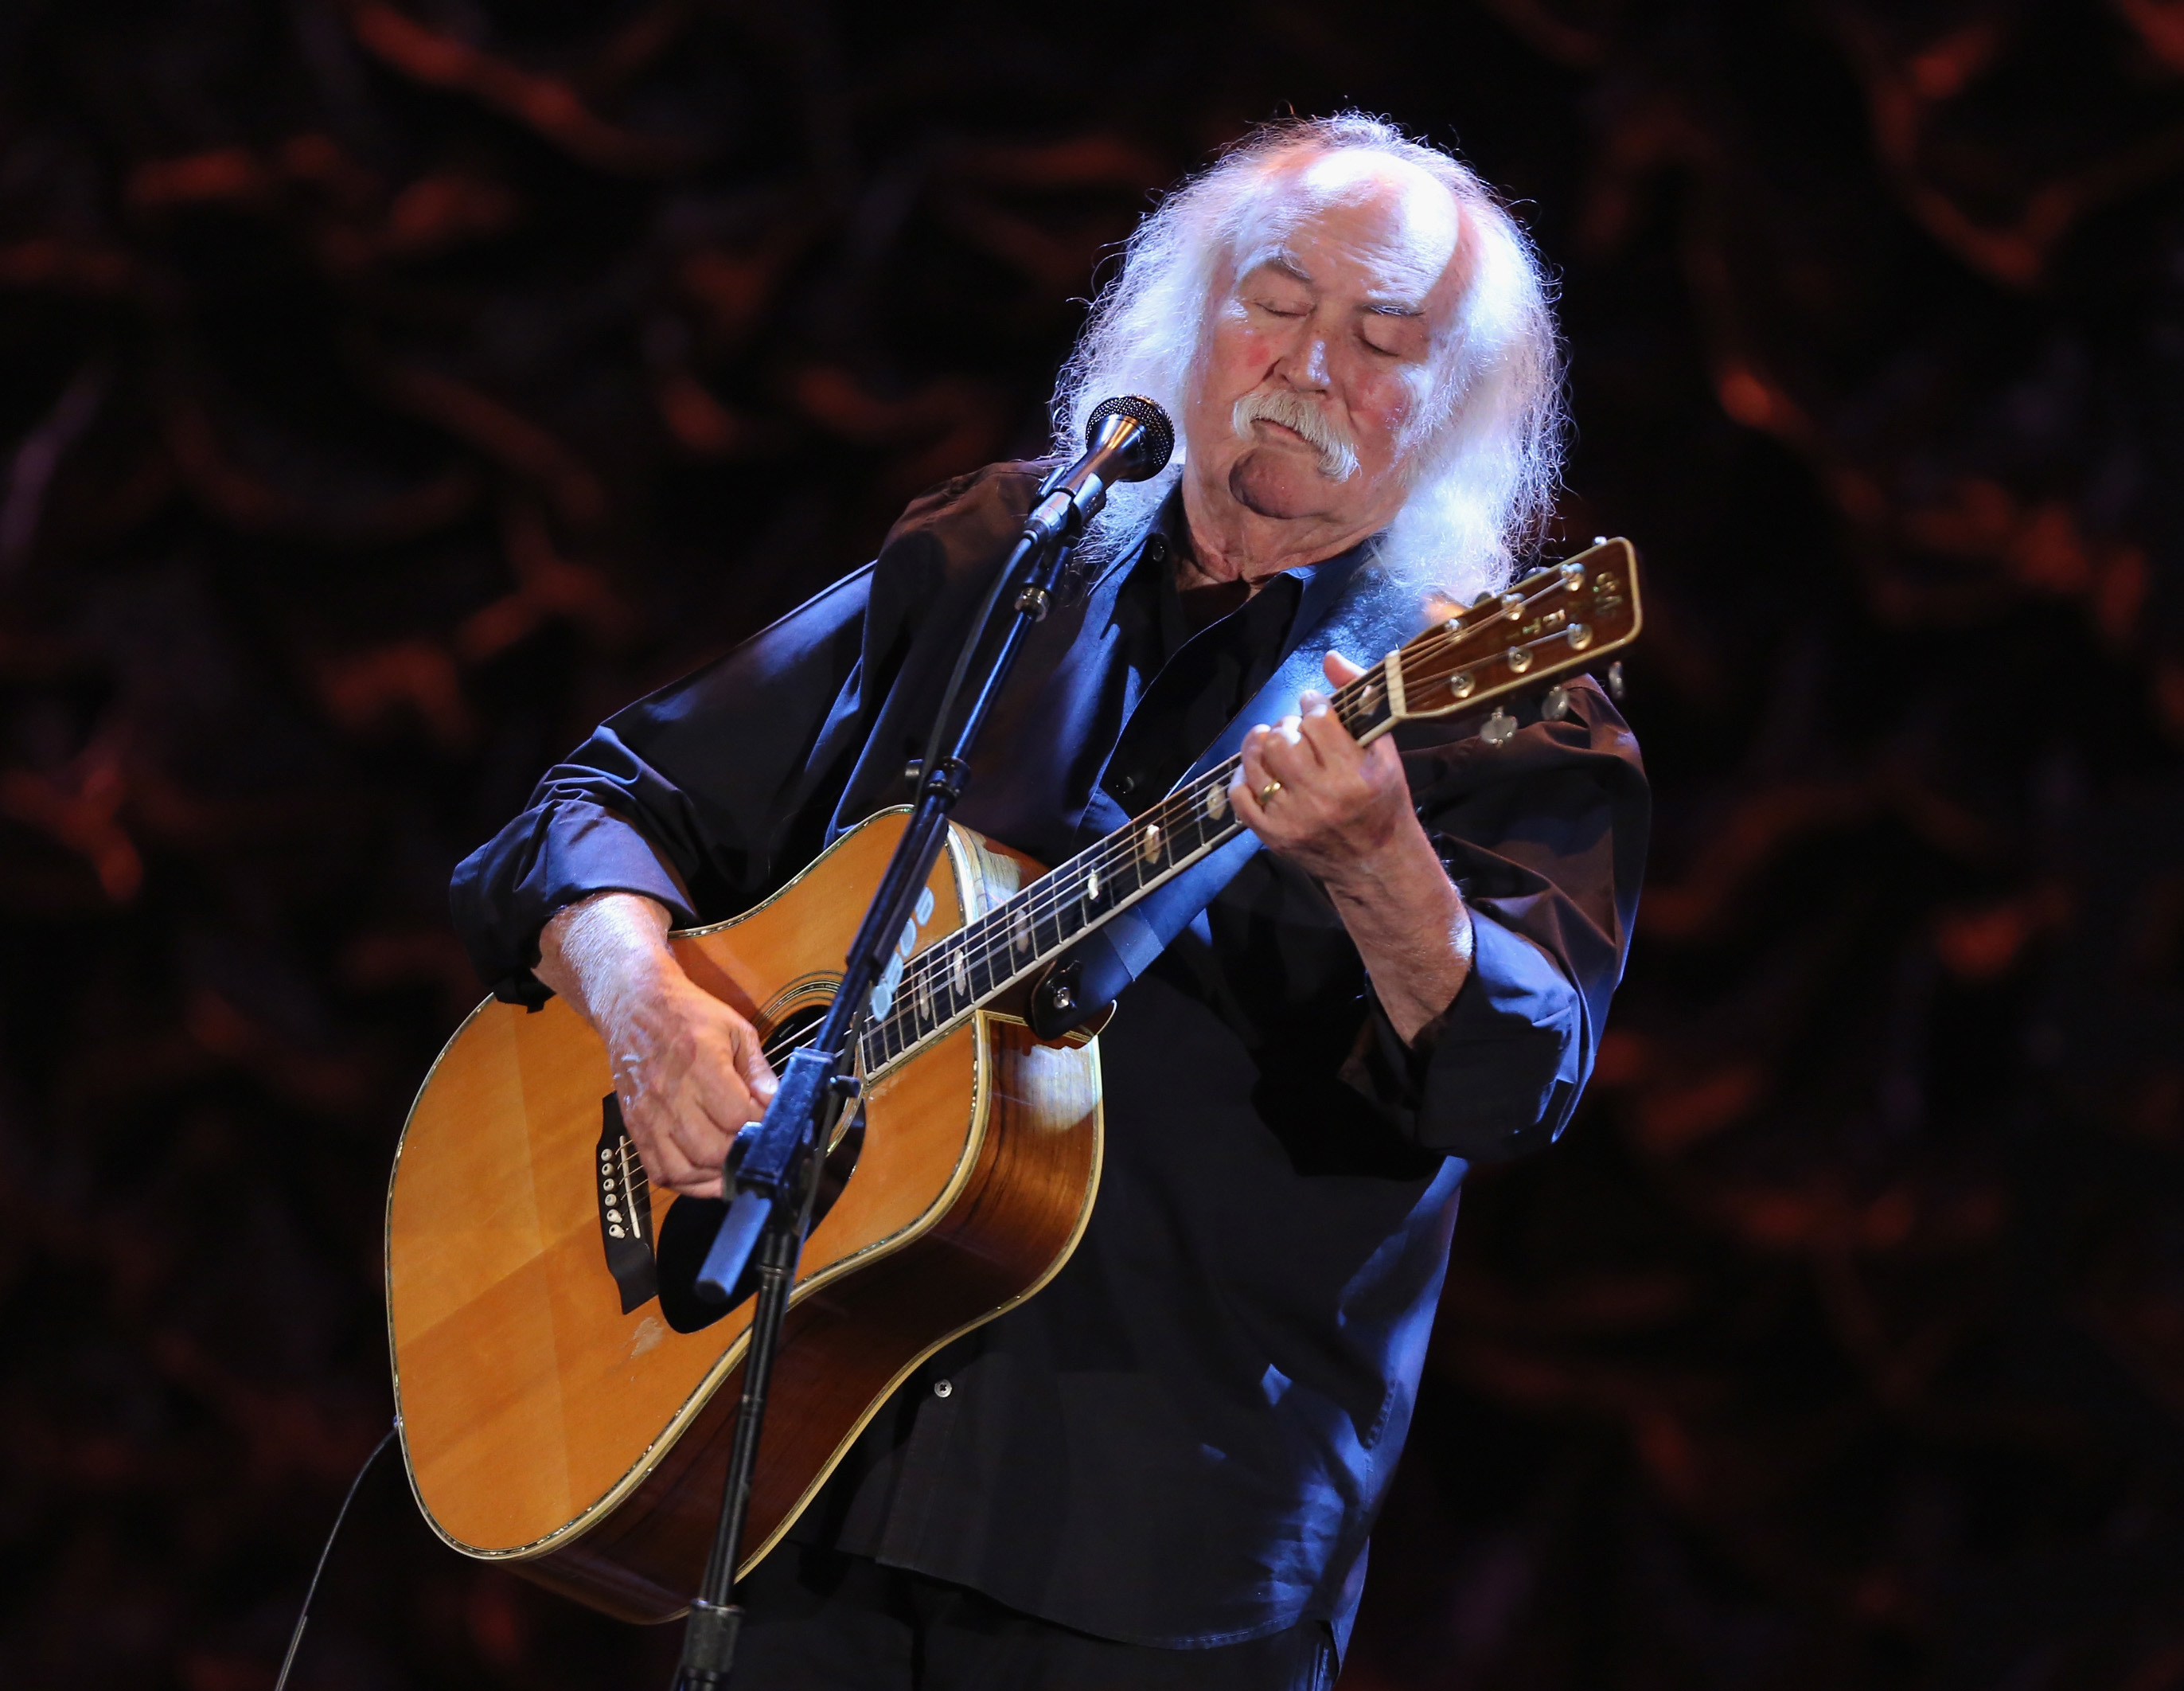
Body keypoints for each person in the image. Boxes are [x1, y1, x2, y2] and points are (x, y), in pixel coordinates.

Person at [451, 114, 1648, 1690]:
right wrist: (642, 999)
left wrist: (1380, 870)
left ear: (1452, 408)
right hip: (805, 1455)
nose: (1309, 361)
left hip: (1148, 1546)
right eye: (1275, 299)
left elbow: (1512, 1083)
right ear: (1186, 318)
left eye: (1382, 336)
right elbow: (593, 806)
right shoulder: (999, 558)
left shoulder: (1499, 705)